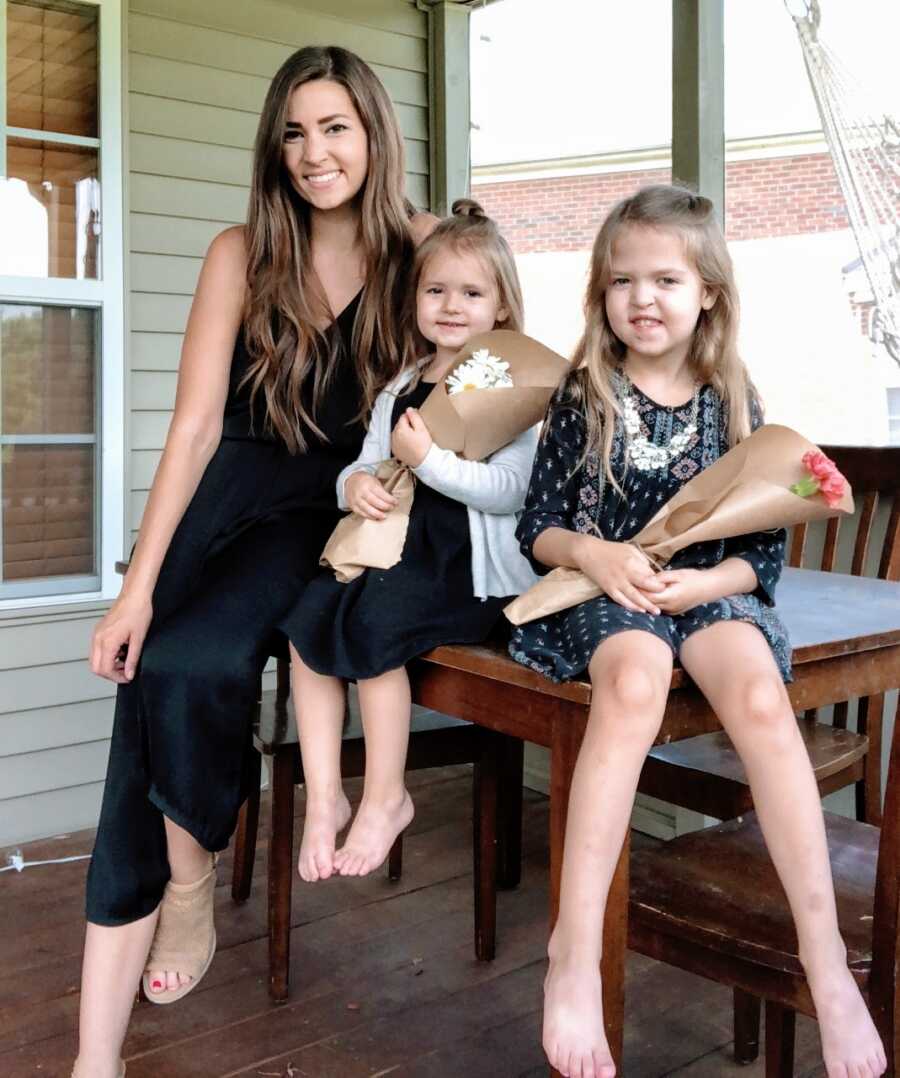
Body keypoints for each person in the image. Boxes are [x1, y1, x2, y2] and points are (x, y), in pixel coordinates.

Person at [74, 45, 435, 1078]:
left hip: (326, 516)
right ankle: (121, 1005)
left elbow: (495, 369)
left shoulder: (418, 250)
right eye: (294, 132)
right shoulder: (242, 251)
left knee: (195, 668)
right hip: (224, 504)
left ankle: (187, 882)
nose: (314, 153)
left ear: (373, 133)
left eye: (334, 128)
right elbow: (190, 430)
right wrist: (133, 589)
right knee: (153, 672)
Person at [508, 185, 887, 1078]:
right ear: (601, 293)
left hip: (706, 592)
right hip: (609, 591)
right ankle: (571, 952)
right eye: (621, 280)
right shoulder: (583, 392)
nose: (642, 298)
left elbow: (760, 553)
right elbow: (540, 528)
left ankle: (826, 962)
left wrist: (706, 582)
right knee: (633, 685)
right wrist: (602, 560)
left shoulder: (731, 398)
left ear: (708, 291)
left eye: (666, 279)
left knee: (759, 696)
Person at [284, 200, 538, 881]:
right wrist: (353, 489)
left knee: (373, 627)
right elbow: (364, 463)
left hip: (466, 569)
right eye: (436, 291)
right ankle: (326, 796)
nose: (451, 306)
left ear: (502, 309)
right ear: (415, 299)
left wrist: (431, 464)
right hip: (395, 549)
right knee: (307, 622)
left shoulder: (514, 388)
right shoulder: (403, 382)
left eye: (471, 292)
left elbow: (511, 489)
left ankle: (386, 795)